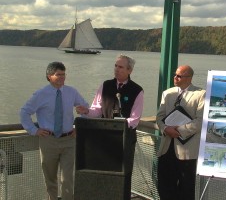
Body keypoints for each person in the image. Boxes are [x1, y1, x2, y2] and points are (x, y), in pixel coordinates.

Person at [76, 54, 144, 200]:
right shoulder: (105, 85)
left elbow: (135, 119)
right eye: (115, 66)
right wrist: (86, 111)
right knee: (103, 175)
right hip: (104, 139)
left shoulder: (137, 90)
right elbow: (97, 110)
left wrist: (120, 125)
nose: (117, 69)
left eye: (120, 67)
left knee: (122, 177)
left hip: (125, 140)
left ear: (129, 70)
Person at [20, 61, 89, 200]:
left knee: (67, 179)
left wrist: (80, 126)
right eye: (58, 75)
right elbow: (24, 112)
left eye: (64, 74)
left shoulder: (72, 92)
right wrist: (34, 130)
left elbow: (85, 108)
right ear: (49, 76)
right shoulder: (41, 94)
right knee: (50, 179)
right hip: (48, 141)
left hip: (69, 140)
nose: (62, 77)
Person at [156, 65, 206, 200]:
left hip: (187, 152)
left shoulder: (201, 94)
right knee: (164, 187)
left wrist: (178, 131)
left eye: (179, 76)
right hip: (166, 149)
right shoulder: (167, 93)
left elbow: (200, 121)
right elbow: (159, 117)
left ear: (189, 78)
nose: (175, 78)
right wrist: (165, 129)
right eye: (175, 75)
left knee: (186, 190)